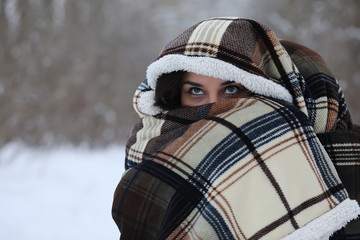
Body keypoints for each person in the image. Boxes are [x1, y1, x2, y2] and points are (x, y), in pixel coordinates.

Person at [112, 17, 360, 239]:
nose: (214, 105)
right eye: (196, 91)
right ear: (175, 96)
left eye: (231, 89)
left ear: (264, 90)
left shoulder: (331, 152)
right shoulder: (153, 146)